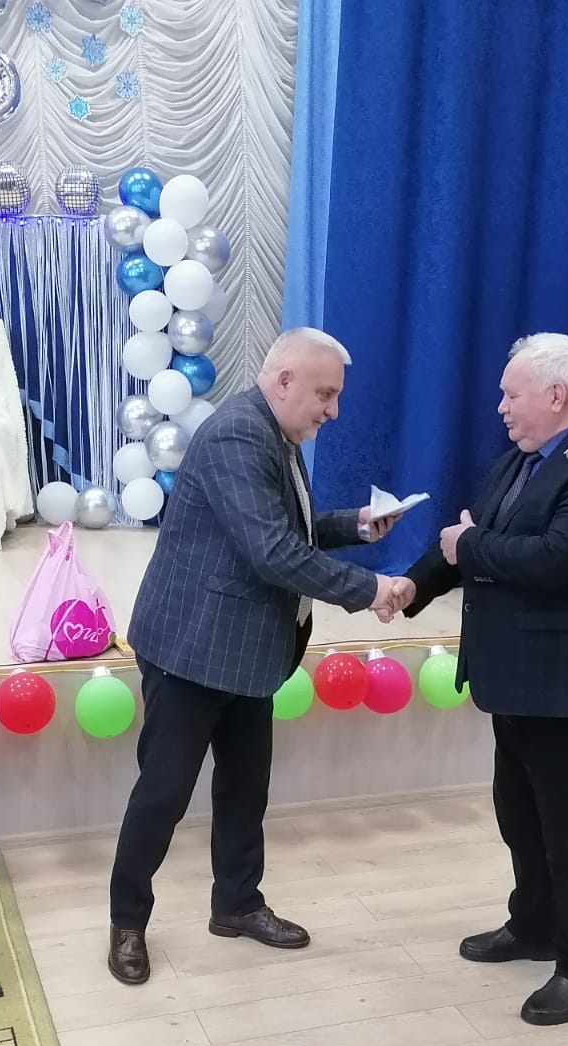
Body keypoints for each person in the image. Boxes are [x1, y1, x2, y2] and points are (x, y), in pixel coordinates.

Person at [106, 328, 411, 985]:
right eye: (325, 394)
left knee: (246, 788)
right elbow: (273, 552)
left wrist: (356, 524)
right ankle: (127, 920)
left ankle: (237, 904)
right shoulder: (241, 434)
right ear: (283, 381)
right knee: (163, 793)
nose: (333, 410)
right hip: (193, 648)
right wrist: (371, 589)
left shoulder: (276, 431)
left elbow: (285, 527)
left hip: (248, 649)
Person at [394, 332, 568, 1026]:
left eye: (512, 394)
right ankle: (534, 925)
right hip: (517, 677)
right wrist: (409, 588)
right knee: (520, 813)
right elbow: (468, 540)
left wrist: (471, 544)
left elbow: (552, 559)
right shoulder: (522, 459)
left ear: (556, 395)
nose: (502, 407)